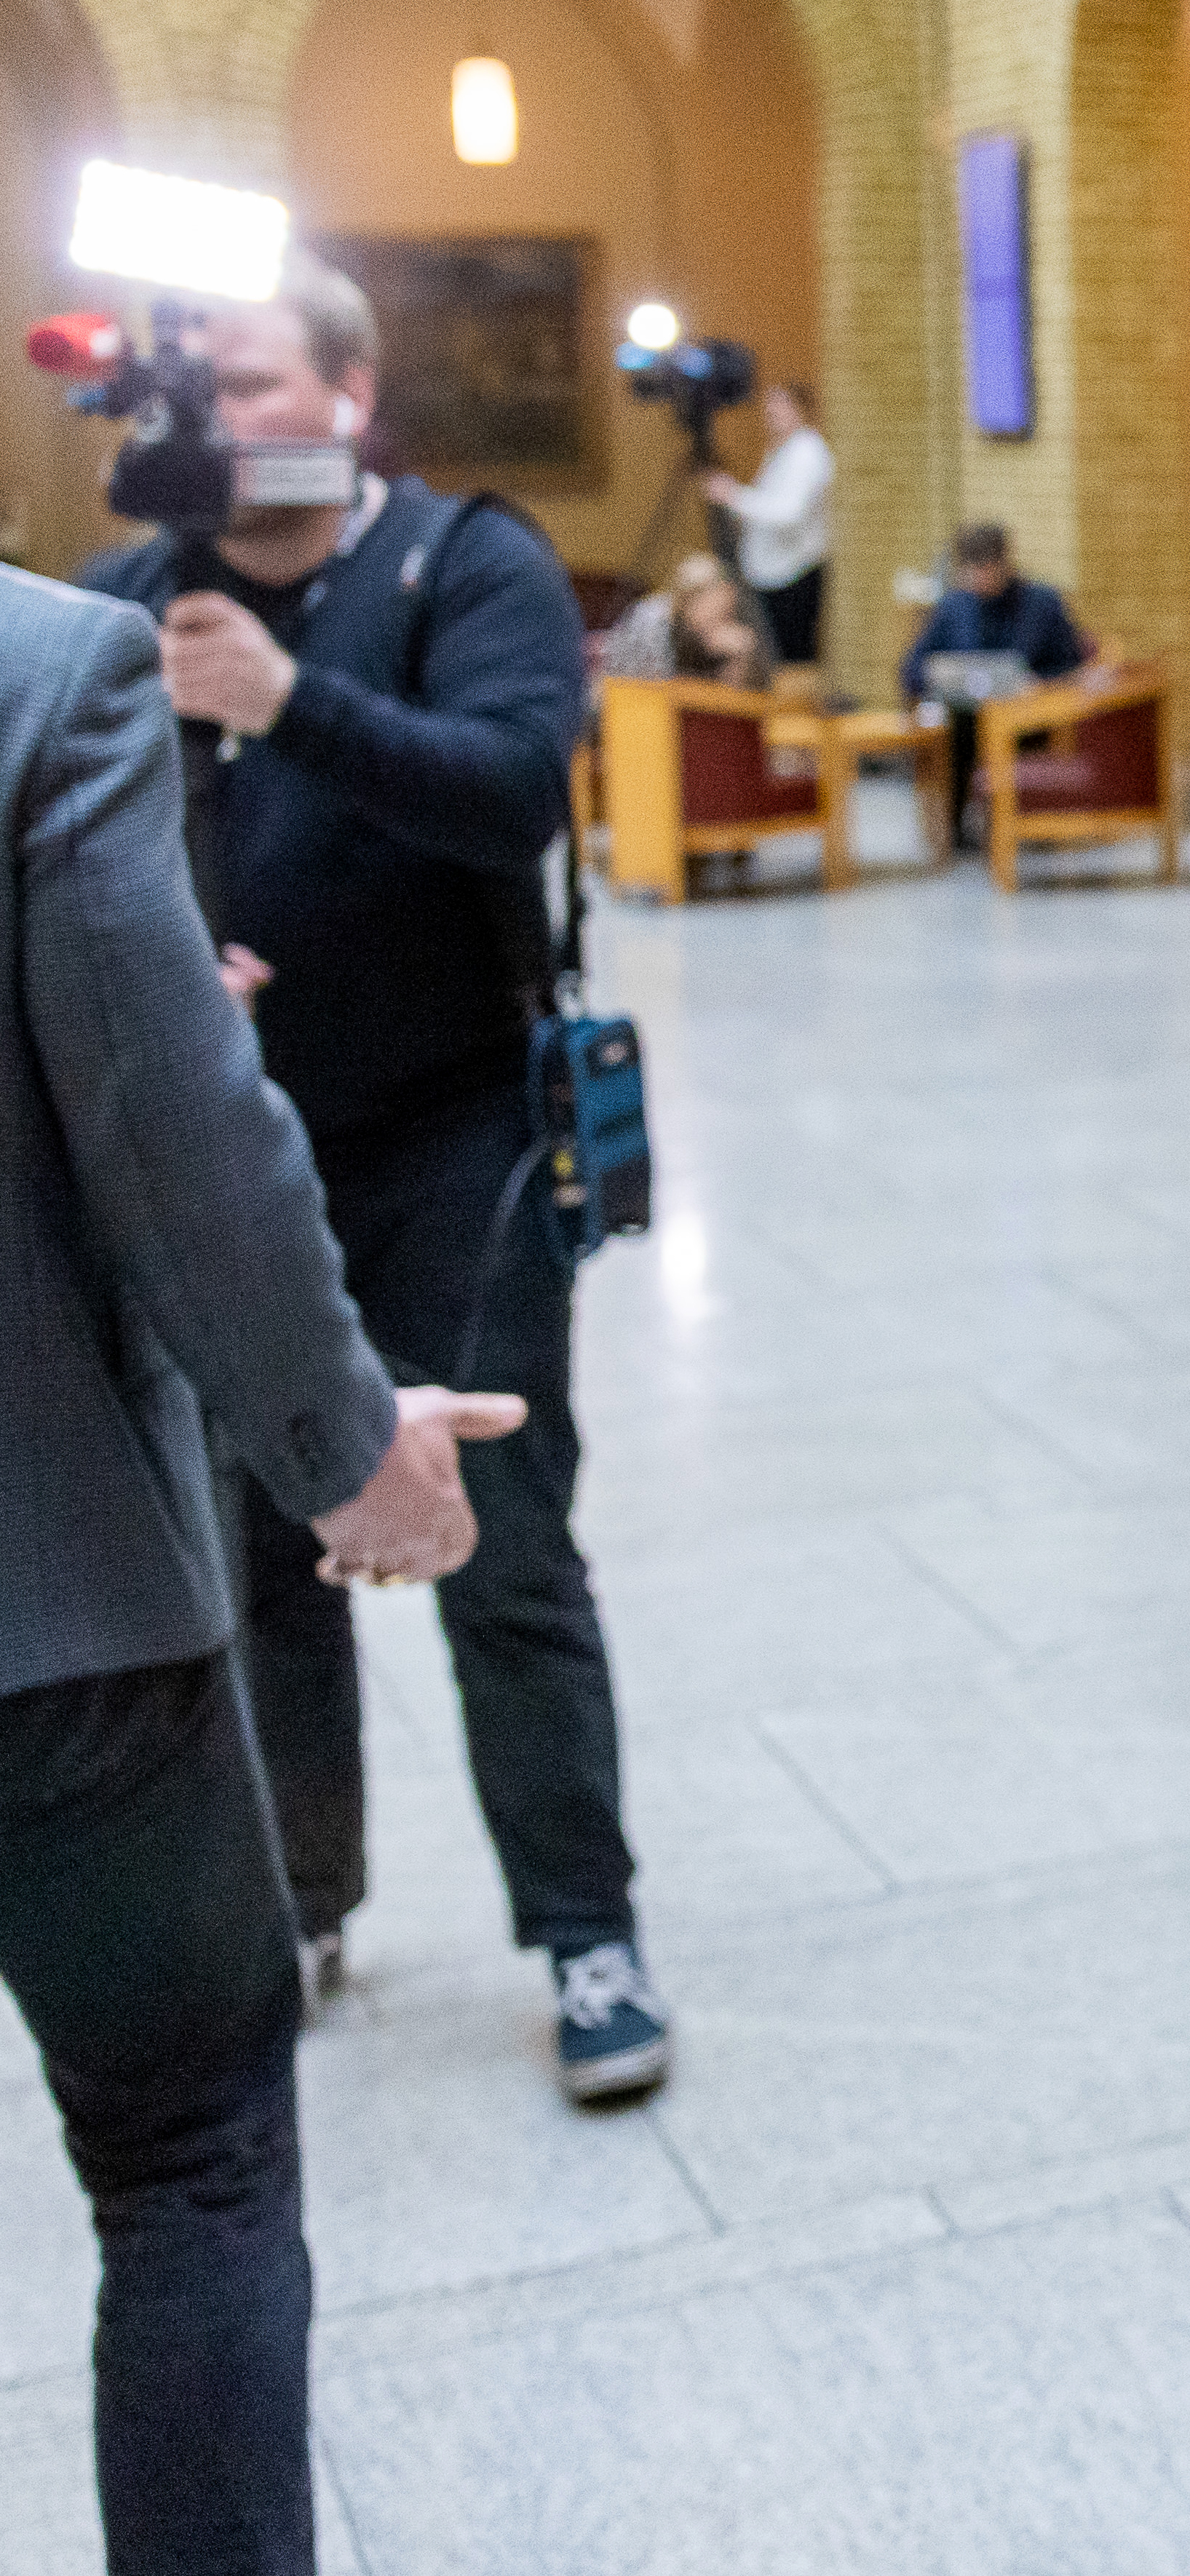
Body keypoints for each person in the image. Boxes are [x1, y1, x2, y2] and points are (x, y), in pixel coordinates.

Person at [82, 249, 671, 2108]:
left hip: (455, 1135)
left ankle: (585, 1928)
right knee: (260, 1553)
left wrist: (286, 700)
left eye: (257, 381)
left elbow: (511, 791)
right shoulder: (122, 603)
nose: (220, 419)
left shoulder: (457, 562)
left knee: (502, 1539)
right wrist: (166, 969)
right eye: (193, 388)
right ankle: (306, 1901)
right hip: (219, 1160)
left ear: (349, 397)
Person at [4, 557, 523, 2576]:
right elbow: (179, 1133)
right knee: (191, 2164)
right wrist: (353, 1446)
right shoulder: (47, 673)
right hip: (53, 1605)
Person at [900, 521, 1089, 847]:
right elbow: (913, 669)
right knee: (951, 732)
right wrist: (941, 681)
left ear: (1005, 563)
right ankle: (956, 833)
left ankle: (1023, 825)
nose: (980, 579)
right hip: (964, 720)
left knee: (1001, 732)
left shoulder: (1043, 603)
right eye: (971, 571)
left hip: (1027, 721)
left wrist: (1040, 683)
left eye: (987, 569)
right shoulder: (952, 607)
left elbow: (1072, 664)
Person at [701, 380, 833, 667]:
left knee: (793, 660)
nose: (771, 411)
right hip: (774, 575)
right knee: (778, 659)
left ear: (800, 408)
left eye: (780, 403)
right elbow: (765, 503)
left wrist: (734, 495)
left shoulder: (807, 452)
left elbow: (788, 514)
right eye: (769, 404)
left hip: (794, 575)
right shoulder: (781, 451)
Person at [599, 553, 769, 690]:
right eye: (719, 614)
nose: (724, 625)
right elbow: (654, 695)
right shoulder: (653, 622)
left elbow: (730, 704)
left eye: (728, 615)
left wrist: (739, 659)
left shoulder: (704, 637)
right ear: (688, 599)